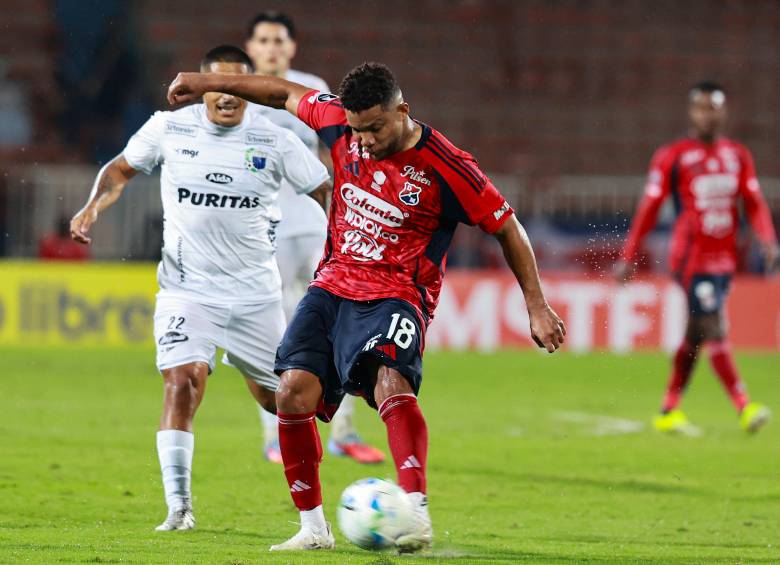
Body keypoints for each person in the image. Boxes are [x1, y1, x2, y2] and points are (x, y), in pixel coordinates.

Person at [167, 62, 565, 552]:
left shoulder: (448, 165)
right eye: (358, 130)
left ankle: (415, 512)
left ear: (403, 110)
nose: (366, 140)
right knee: (291, 392)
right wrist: (205, 82)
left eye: (376, 127)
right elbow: (278, 92)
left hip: (398, 293)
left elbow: (507, 227)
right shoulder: (340, 124)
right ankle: (313, 528)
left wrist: (537, 305)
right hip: (332, 285)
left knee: (389, 381)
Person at [70, 45, 331, 531]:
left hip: (257, 296)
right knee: (183, 381)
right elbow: (120, 169)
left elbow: (323, 189)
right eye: (216, 86)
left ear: (247, 89)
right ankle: (179, 508)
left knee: (286, 404)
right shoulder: (170, 128)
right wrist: (91, 208)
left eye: (236, 86)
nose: (226, 96)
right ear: (202, 88)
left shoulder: (273, 139)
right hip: (187, 289)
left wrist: (342, 241)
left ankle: (315, 521)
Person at [244, 10, 384, 465]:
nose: (272, 47)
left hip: (314, 225)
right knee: (276, 332)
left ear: (291, 47)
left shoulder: (309, 86)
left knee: (333, 323)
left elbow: (334, 152)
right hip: (262, 230)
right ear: (251, 48)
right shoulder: (237, 95)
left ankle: (342, 431)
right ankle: (275, 432)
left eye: (279, 40)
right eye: (263, 40)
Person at [615, 81, 778, 435]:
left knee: (695, 336)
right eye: (701, 107)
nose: (708, 114)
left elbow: (754, 203)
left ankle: (668, 409)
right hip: (691, 259)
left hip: (724, 260)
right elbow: (650, 207)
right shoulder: (673, 156)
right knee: (714, 325)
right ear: (692, 112)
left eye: (714, 107)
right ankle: (744, 406)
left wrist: (768, 239)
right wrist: (629, 254)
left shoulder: (737, 155)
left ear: (724, 111)